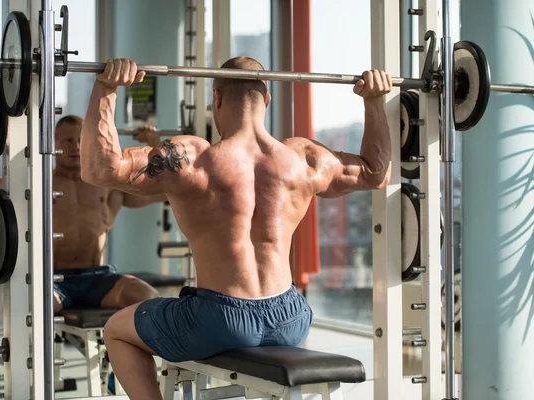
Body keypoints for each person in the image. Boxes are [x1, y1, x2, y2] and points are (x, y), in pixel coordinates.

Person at [80, 57, 392, 399]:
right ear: (267, 99)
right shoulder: (303, 160)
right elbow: (376, 172)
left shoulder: (194, 159)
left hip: (219, 320)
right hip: (292, 316)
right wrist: (374, 100)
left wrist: (107, 89)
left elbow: (100, 169)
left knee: (116, 330)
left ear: (216, 98)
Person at [0, 115, 166, 313]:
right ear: (53, 143)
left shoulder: (108, 185)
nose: (75, 146)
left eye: (80, 140)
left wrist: (154, 148)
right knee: (44, 304)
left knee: (148, 297)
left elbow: (162, 190)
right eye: (67, 140)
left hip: (99, 278)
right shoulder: (35, 183)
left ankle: (124, 347)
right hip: (53, 279)